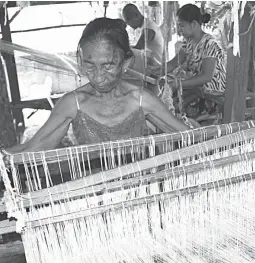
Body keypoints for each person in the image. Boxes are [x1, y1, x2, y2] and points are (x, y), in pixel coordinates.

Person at [5, 17, 189, 155]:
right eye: (90, 65)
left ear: (126, 63)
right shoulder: (73, 103)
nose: (99, 76)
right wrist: (4, 158)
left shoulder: (141, 100)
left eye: (108, 66)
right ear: (81, 62)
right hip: (95, 196)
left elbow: (188, 136)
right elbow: (35, 147)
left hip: (139, 193)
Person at [155, 4, 226, 122]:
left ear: (193, 24)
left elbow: (206, 77)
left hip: (213, 96)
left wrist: (179, 84)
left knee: (175, 111)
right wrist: (156, 71)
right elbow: (174, 63)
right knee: (164, 105)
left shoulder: (210, 44)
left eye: (182, 26)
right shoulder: (188, 42)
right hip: (197, 90)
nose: (179, 29)